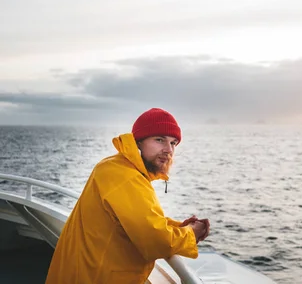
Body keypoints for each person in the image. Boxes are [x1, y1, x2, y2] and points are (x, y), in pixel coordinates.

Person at [45, 108, 210, 284]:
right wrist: (191, 233)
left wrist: (178, 227)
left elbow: (131, 221)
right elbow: (156, 242)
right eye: (160, 140)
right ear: (138, 142)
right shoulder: (127, 177)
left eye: (173, 143)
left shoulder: (114, 166)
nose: (168, 150)